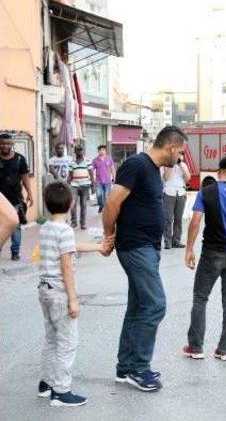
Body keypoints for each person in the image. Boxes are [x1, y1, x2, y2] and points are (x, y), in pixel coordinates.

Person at [102, 125, 186, 392]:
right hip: (136, 247)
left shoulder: (152, 169)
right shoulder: (137, 164)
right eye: (180, 151)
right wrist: (108, 235)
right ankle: (139, 367)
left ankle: (126, 368)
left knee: (138, 307)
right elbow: (112, 202)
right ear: (171, 147)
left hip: (147, 247)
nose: (180, 156)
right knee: (154, 304)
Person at [37, 181, 112, 407]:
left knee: (51, 339)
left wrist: (98, 247)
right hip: (60, 292)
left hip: (44, 290)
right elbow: (66, 266)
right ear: (71, 204)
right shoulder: (66, 231)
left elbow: (70, 247)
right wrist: (73, 299)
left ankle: (46, 384)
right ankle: (61, 391)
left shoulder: (46, 227)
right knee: (67, 342)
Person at [183, 155, 226, 361]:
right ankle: (225, 350)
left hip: (211, 255)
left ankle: (196, 348)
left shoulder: (205, 192)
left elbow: (195, 221)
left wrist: (189, 249)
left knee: (200, 298)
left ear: (220, 172)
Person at [0, 132, 33, 261]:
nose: (4, 146)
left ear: (12, 144)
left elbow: (25, 177)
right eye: (2, 143)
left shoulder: (20, 159)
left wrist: (29, 193)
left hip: (15, 199)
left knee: (16, 227)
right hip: (1, 201)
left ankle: (15, 252)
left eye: (7, 143)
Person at [161, 154, 191, 249]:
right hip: (168, 193)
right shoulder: (165, 164)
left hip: (180, 193)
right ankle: (167, 241)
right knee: (168, 219)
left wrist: (181, 164)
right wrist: (171, 165)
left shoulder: (183, 165)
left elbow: (187, 178)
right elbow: (166, 178)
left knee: (178, 219)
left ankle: (176, 240)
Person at [68, 145, 94, 230]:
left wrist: (93, 186)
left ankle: (83, 223)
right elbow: (70, 175)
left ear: (83, 151)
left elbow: (91, 174)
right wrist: (67, 185)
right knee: (73, 204)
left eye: (81, 150)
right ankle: (74, 222)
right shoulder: (72, 162)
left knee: (84, 204)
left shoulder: (87, 161)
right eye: (77, 150)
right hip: (74, 185)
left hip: (85, 185)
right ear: (74, 151)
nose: (79, 151)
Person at [92, 145, 115, 213]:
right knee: (99, 196)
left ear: (105, 151)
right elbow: (92, 170)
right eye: (100, 150)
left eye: (103, 150)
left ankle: (105, 209)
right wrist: (92, 179)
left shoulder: (109, 159)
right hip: (98, 181)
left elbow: (113, 169)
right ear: (98, 151)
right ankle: (101, 206)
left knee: (106, 196)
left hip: (108, 181)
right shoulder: (95, 160)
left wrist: (114, 178)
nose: (102, 151)